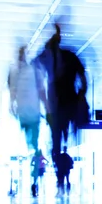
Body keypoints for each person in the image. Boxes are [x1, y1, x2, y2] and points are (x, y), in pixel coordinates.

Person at [36, 24, 88, 163]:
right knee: (62, 130)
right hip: (67, 101)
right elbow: (82, 75)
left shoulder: (50, 58)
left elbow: (36, 61)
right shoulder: (69, 56)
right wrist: (82, 92)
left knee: (57, 133)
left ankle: (58, 155)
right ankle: (60, 153)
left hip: (58, 103)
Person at [8, 46, 46, 153]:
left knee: (29, 131)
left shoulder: (15, 72)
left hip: (25, 111)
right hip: (31, 110)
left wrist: (11, 105)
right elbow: (41, 91)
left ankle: (32, 147)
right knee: (33, 132)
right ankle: (33, 148)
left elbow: (13, 91)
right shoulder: (32, 71)